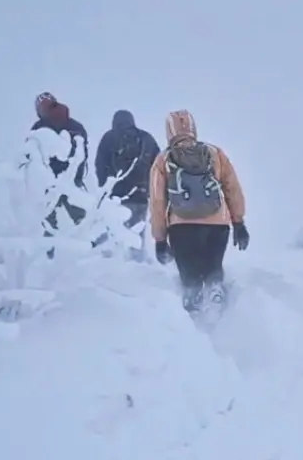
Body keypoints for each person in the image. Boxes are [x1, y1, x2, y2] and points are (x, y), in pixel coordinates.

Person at [149, 109, 250, 313]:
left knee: (190, 275)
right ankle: (215, 289)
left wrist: (160, 239)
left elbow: (158, 201)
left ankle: (192, 312)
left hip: (181, 227)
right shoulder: (215, 154)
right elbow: (233, 188)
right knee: (213, 266)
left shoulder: (163, 160)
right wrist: (238, 222)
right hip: (217, 225)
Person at [94, 110, 159, 257]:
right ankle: (137, 264)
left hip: (116, 196)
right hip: (140, 195)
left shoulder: (109, 137)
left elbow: (100, 165)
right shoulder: (146, 138)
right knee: (136, 234)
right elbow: (158, 165)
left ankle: (107, 262)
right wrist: (151, 189)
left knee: (111, 232)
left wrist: (105, 187)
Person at [30, 92, 90, 251]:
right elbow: (83, 155)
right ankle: (95, 250)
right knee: (85, 221)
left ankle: (48, 257)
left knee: (48, 225)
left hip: (48, 185)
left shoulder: (38, 128)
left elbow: (31, 157)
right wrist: (76, 178)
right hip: (71, 182)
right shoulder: (76, 126)